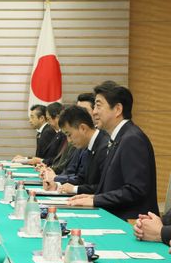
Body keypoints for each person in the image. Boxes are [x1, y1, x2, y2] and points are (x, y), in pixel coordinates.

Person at [68, 81, 159, 220]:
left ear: (117, 109)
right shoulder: (120, 137)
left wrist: (95, 200)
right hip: (117, 215)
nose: (94, 112)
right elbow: (115, 186)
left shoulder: (132, 139)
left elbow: (136, 190)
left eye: (98, 106)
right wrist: (94, 196)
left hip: (132, 222)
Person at [42, 105, 109, 194]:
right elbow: (81, 179)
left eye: (69, 135)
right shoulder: (89, 145)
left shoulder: (105, 146)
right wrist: (57, 185)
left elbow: (105, 187)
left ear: (83, 128)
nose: (69, 141)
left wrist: (75, 189)